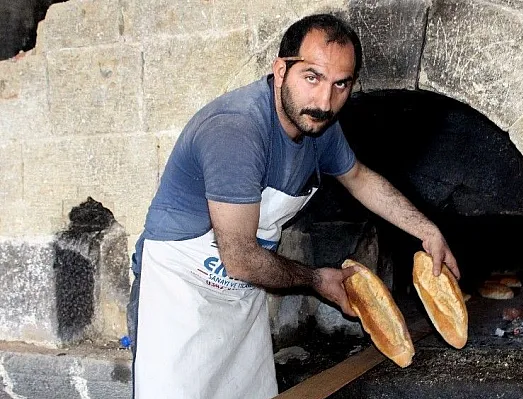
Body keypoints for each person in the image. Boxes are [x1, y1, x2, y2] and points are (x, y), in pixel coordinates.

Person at [127, 13, 459, 399]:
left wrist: (426, 229)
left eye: (341, 85)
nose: (324, 102)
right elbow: (239, 258)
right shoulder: (236, 131)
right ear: (280, 69)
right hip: (180, 291)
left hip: (240, 291)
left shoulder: (319, 126)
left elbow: (359, 178)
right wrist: (318, 280)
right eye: (312, 77)